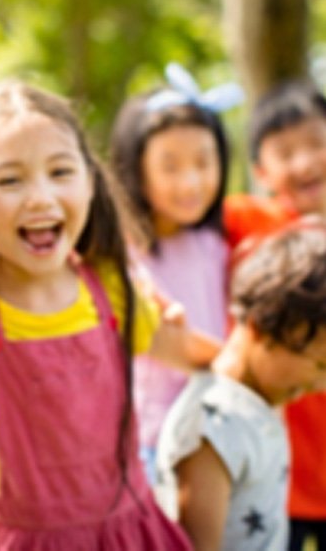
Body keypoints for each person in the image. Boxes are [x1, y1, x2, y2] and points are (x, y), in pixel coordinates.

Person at [0, 80, 221, 549]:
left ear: (89, 179)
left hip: (130, 533)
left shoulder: (112, 287)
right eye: (9, 179)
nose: (40, 197)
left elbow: (195, 356)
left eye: (60, 172)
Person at [155, 219, 326, 551]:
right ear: (260, 327)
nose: (321, 384)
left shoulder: (259, 400)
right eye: (319, 365)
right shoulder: (213, 426)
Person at [110, 63, 238, 483]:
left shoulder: (214, 245)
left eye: (204, 162)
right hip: (151, 444)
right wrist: (248, 373)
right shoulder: (123, 256)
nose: (191, 182)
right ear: (137, 169)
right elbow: (169, 345)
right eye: (170, 166)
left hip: (217, 433)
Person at [223, 79, 326, 551]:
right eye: (286, 153)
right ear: (261, 169)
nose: (305, 162)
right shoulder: (251, 221)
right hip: (275, 474)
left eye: (317, 143)